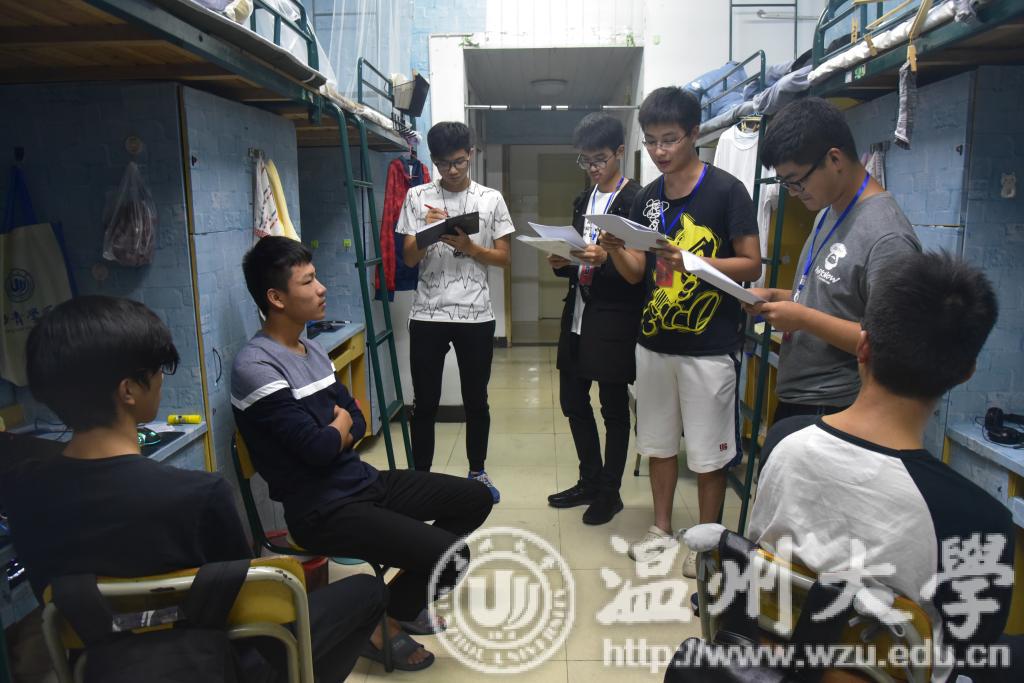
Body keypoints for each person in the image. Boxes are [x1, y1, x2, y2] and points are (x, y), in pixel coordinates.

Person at [1, 295, 383, 683]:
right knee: (367, 593)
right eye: (159, 368)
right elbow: (251, 616)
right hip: (208, 663)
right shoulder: (199, 495)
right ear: (128, 390)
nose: (162, 379)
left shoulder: (23, 492)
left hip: (98, 661)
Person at [231, 236, 494, 671]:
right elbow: (319, 447)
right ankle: (379, 621)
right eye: (308, 282)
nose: (322, 289)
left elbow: (357, 416)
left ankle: (387, 609)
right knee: (453, 556)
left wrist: (335, 430)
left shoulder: (312, 349)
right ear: (276, 298)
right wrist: (337, 430)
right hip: (322, 508)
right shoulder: (256, 366)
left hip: (360, 482)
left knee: (476, 498)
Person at [749, 252, 1015, 681]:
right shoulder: (978, 520)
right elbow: (969, 652)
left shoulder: (785, 442)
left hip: (770, 663)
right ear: (965, 372)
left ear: (863, 345)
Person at [602, 87, 761, 576]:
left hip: (709, 346)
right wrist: (616, 247)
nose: (659, 151)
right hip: (654, 343)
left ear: (694, 133)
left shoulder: (727, 190)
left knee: (709, 454)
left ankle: (707, 544)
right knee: (658, 444)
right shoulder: (647, 197)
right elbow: (637, 274)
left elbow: (751, 265)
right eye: (651, 141)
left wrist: (690, 260)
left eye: (669, 139)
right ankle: (662, 528)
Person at [747, 97, 921, 423]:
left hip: (837, 408)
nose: (793, 192)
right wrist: (775, 296)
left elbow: (891, 347)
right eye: (786, 183)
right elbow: (833, 299)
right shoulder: (829, 210)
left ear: (835, 159)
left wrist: (802, 318)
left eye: (797, 181)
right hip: (801, 398)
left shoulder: (888, 238)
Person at [397, 121, 514, 501]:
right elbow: (409, 258)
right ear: (433, 159)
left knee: (476, 400)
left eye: (459, 162)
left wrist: (469, 247)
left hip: (476, 315)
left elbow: (503, 258)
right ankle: (421, 479)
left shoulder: (490, 199)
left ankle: (477, 472)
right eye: (444, 163)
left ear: (471, 155)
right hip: (427, 314)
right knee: (425, 403)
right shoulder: (416, 196)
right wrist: (428, 231)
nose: (452, 170)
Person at [545, 112, 643, 525]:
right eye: (584, 160)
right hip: (578, 311)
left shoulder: (636, 199)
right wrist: (561, 261)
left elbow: (639, 272)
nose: (592, 168)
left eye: (599, 159)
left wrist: (606, 258)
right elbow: (579, 255)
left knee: (613, 407)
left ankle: (609, 491)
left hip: (615, 315)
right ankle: (589, 479)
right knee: (572, 400)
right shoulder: (582, 200)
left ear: (619, 152)